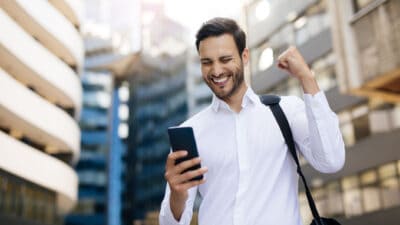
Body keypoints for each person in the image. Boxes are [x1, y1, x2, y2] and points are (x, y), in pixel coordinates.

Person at [159, 17, 345, 225]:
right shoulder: (191, 131)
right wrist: (177, 194)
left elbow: (331, 161)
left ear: (244, 56)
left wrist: (307, 78)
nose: (216, 71)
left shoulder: (285, 111)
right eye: (207, 62)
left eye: (225, 59)